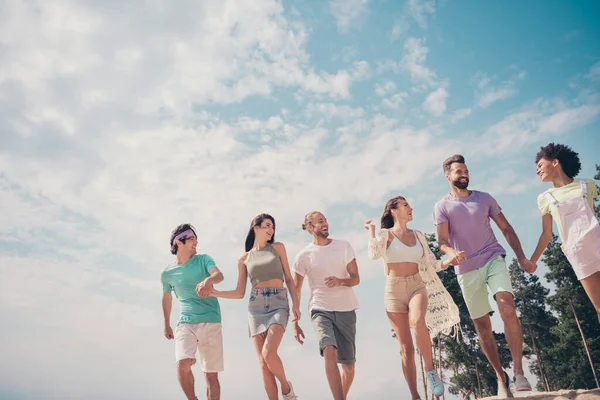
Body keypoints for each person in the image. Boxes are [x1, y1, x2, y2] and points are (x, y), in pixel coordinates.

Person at [434, 155, 536, 398]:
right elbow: (442, 241)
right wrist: (451, 253)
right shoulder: (442, 206)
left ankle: (519, 372)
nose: (464, 174)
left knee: (507, 306)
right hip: (466, 269)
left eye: (466, 170)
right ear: (448, 176)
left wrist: (521, 257)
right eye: (459, 171)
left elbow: (506, 229)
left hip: (493, 258)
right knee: (483, 325)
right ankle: (501, 377)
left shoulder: (485, 198)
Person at [365, 196, 461, 400]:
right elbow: (374, 254)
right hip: (393, 290)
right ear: (393, 210)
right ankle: (414, 395)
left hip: (417, 285)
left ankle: (430, 372)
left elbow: (432, 264)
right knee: (406, 348)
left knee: (418, 322)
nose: (411, 208)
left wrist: (448, 261)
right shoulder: (386, 235)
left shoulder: (418, 236)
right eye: (406, 205)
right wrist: (372, 232)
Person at [208, 214, 299, 400]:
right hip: (255, 307)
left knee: (269, 353)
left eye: (272, 227)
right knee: (263, 364)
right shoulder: (244, 258)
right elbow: (240, 292)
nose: (271, 230)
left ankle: (286, 388)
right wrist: (214, 292)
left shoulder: (278, 248)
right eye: (267, 225)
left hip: (278, 303)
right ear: (255, 228)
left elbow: (289, 278)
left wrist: (296, 303)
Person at [291, 211, 360, 400]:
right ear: (310, 227)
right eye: (320, 221)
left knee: (349, 368)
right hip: (320, 308)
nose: (325, 223)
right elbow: (296, 289)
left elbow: (356, 278)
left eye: (325, 220)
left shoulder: (343, 246)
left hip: (346, 309)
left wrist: (340, 281)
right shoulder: (303, 256)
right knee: (329, 349)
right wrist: (294, 322)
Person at [530, 143, 600, 319]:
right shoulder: (545, 198)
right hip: (579, 255)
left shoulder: (587, 185)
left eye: (540, 165)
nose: (537, 171)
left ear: (555, 162)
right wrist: (532, 261)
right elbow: (547, 234)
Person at [161, 223, 225, 400]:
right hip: (186, 322)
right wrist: (166, 324)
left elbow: (219, 276)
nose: (196, 242)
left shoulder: (204, 260)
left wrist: (207, 281)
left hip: (211, 320)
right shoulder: (167, 273)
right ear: (179, 243)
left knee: (210, 375)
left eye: (196, 238)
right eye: (191, 238)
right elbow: (167, 298)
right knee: (182, 364)